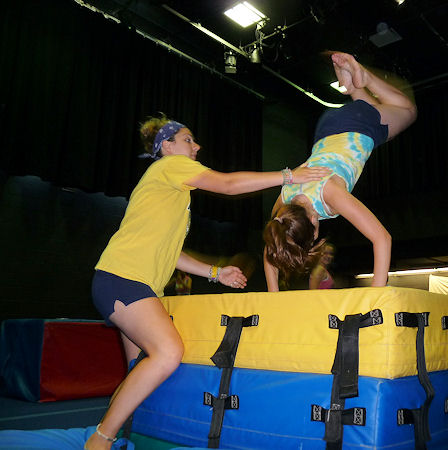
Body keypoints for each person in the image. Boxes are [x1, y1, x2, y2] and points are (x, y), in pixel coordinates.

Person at [84, 116, 330, 450]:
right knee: (168, 353)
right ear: (167, 146)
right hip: (123, 279)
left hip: (129, 282)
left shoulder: (170, 191)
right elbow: (227, 184)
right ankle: (101, 439)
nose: (196, 146)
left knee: (139, 367)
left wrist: (217, 273)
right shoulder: (170, 167)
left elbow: (172, 253)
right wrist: (289, 176)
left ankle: (126, 434)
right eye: (188, 139)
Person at [263, 52, 418, 290]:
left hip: (356, 127)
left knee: (407, 111)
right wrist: (272, 296)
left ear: (313, 222)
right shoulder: (283, 207)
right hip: (325, 129)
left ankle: (364, 78)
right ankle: (350, 82)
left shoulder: (329, 194)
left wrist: (376, 295)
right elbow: (271, 250)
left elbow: (382, 239)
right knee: (376, 112)